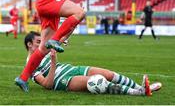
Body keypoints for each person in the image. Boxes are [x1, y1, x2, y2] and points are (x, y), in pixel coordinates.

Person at [24, 31, 162, 95]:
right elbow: (47, 85)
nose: (42, 44)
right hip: (62, 80)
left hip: (71, 69)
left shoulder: (42, 52)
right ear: (29, 45)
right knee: (97, 81)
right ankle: (138, 93)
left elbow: (60, 38)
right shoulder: (30, 66)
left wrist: (73, 23)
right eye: (38, 42)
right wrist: (54, 62)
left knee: (108, 73)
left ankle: (141, 87)